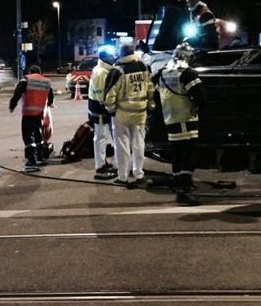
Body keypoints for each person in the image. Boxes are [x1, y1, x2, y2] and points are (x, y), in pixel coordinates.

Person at [152, 42, 206, 205]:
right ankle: (184, 186)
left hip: (170, 119)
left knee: (177, 153)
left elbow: (156, 97)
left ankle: (177, 181)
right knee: (189, 154)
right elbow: (200, 96)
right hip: (186, 119)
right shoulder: (187, 74)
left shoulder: (162, 73)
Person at [104, 43, 154, 187]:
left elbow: (109, 96)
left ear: (121, 53)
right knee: (139, 144)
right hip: (140, 113)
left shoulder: (117, 70)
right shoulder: (144, 67)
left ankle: (123, 176)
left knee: (122, 146)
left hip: (122, 114)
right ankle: (139, 173)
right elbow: (151, 88)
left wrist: (111, 110)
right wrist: (150, 106)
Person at [9, 65, 54, 172]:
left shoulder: (26, 79)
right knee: (38, 134)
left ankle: (31, 160)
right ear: (40, 72)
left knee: (28, 136)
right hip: (39, 113)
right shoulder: (46, 81)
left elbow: (17, 93)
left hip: (28, 113)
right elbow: (51, 97)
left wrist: (12, 105)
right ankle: (40, 156)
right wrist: (48, 104)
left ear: (30, 72)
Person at [88, 46, 116, 179]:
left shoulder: (100, 69)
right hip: (99, 109)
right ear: (104, 57)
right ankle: (100, 167)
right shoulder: (102, 73)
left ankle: (102, 162)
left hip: (96, 108)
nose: (113, 57)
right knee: (101, 137)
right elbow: (101, 96)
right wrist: (109, 108)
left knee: (101, 137)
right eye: (111, 56)